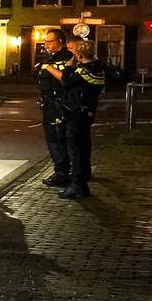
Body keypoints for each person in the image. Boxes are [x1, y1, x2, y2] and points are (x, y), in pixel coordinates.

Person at [45, 39, 105, 199]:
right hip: (88, 112)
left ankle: (77, 186)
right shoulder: (98, 68)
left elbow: (66, 81)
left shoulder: (82, 72)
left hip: (75, 114)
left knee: (75, 150)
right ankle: (84, 178)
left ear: (79, 54)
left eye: (73, 51)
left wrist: (69, 66)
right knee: (85, 146)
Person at [34, 28, 74, 187]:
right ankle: (63, 171)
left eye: (50, 41)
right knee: (55, 140)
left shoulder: (68, 58)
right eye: (45, 41)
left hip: (60, 105)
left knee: (57, 140)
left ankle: (62, 174)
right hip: (49, 104)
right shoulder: (48, 58)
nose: (46, 44)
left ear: (60, 42)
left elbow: (66, 79)